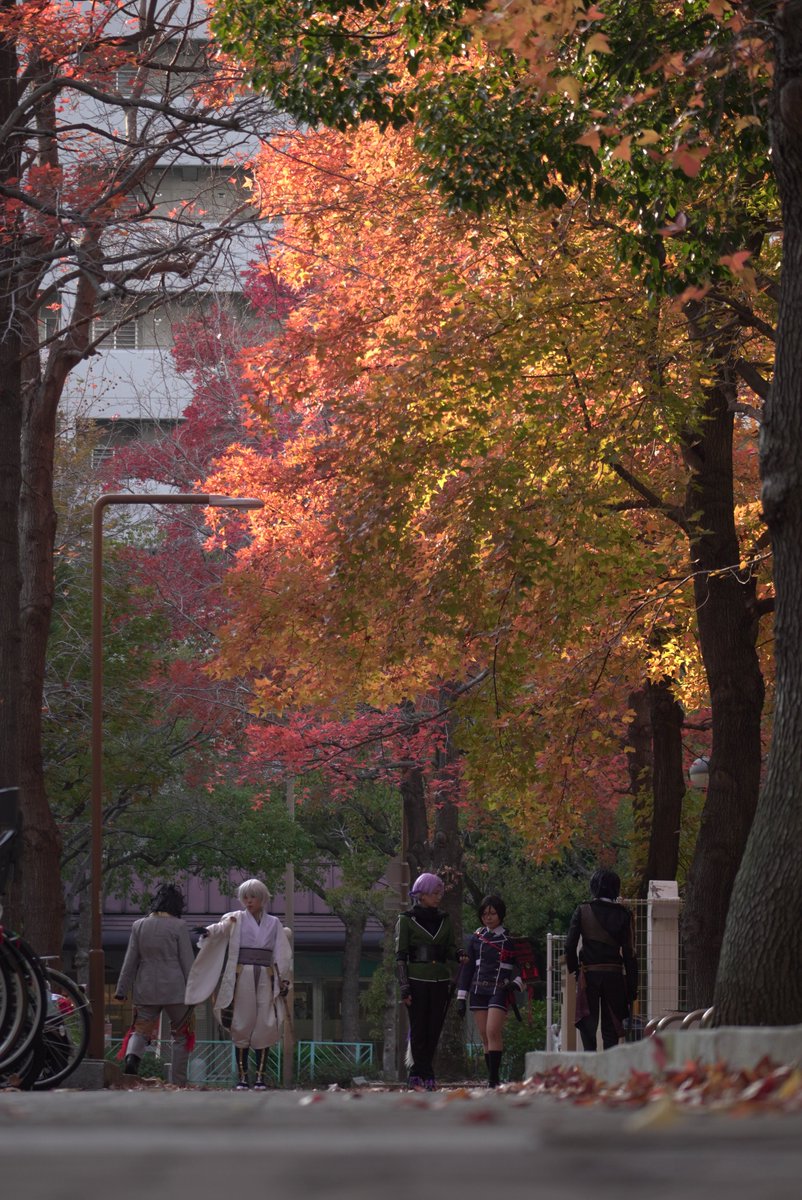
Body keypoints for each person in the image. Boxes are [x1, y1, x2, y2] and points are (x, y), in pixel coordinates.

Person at [185, 878, 292, 1090]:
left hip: (266, 976)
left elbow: (282, 952)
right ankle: (242, 1077)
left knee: (266, 1023)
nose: (248, 901)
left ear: (262, 899)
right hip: (241, 975)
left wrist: (284, 979)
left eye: (253, 896)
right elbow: (221, 928)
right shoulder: (235, 918)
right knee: (241, 1022)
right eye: (245, 897)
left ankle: (260, 1077)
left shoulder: (274, 923)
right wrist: (207, 931)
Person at [114, 882, 195, 1085]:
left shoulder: (139, 925)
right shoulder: (179, 926)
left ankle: (132, 1060)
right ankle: (177, 1081)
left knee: (140, 1030)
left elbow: (130, 960)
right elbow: (187, 962)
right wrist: (195, 989)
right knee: (181, 1035)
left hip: (146, 987)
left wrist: (121, 989)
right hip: (176, 989)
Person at [395, 872, 465, 1091]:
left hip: (440, 979)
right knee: (418, 1028)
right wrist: (404, 985)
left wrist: (458, 954)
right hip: (416, 978)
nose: (438, 897)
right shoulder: (406, 919)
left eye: (440, 893)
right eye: (434, 893)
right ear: (421, 894)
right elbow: (400, 955)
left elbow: (450, 948)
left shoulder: (445, 919)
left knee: (435, 1027)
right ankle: (425, 1073)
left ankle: (418, 1073)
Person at [564, 868, 638, 1051]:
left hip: (589, 976)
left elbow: (569, 946)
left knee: (588, 1025)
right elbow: (629, 954)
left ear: (594, 887)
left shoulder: (582, 911)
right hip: (614, 978)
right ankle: (609, 1072)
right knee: (611, 1028)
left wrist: (575, 970)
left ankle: (590, 1069)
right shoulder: (625, 914)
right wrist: (632, 987)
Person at [456, 893, 524, 1087]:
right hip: (478, 990)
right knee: (485, 1036)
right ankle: (491, 1079)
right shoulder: (476, 938)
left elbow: (524, 967)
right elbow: (467, 969)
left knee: (493, 1031)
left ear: (501, 915)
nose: (488, 917)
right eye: (485, 914)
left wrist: (516, 983)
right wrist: (461, 997)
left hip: (500, 990)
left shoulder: (510, 939)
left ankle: (494, 1078)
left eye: (493, 913)